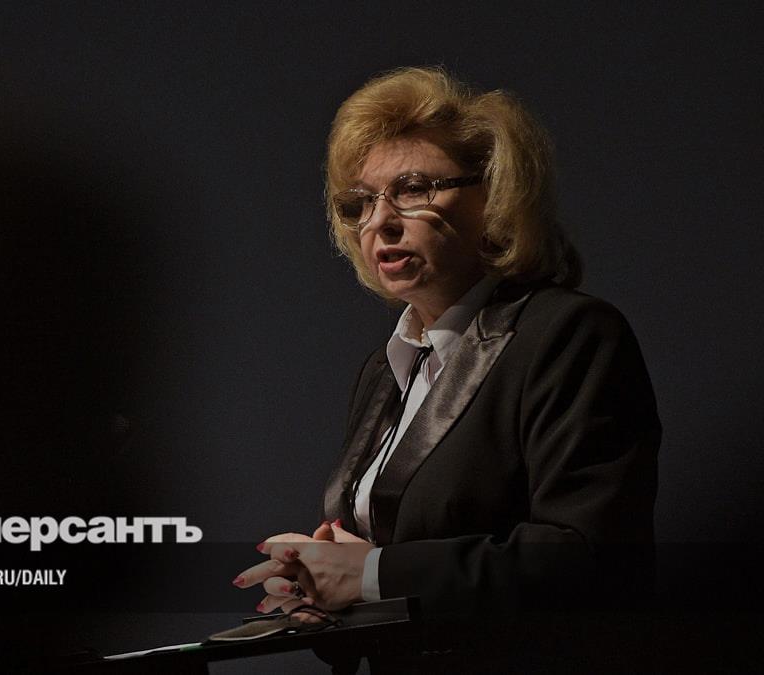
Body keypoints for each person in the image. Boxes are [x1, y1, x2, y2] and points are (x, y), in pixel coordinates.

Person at [232, 67, 660, 670]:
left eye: (412, 190)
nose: (379, 221)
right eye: (360, 203)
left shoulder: (567, 335)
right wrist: (322, 587)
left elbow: (588, 559)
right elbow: (394, 581)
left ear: (495, 195)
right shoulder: (385, 369)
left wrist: (371, 573)